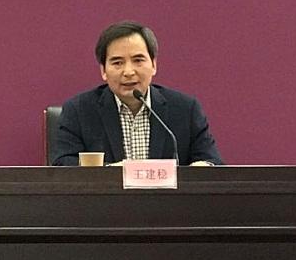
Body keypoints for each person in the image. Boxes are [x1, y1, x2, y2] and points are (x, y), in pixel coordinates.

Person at [51, 21, 222, 167]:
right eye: (117, 63)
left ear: (153, 65)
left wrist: (204, 167)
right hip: (107, 197)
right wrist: (111, 172)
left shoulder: (185, 109)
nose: (128, 72)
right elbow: (62, 164)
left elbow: (212, 161)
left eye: (138, 60)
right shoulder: (79, 110)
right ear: (103, 71)